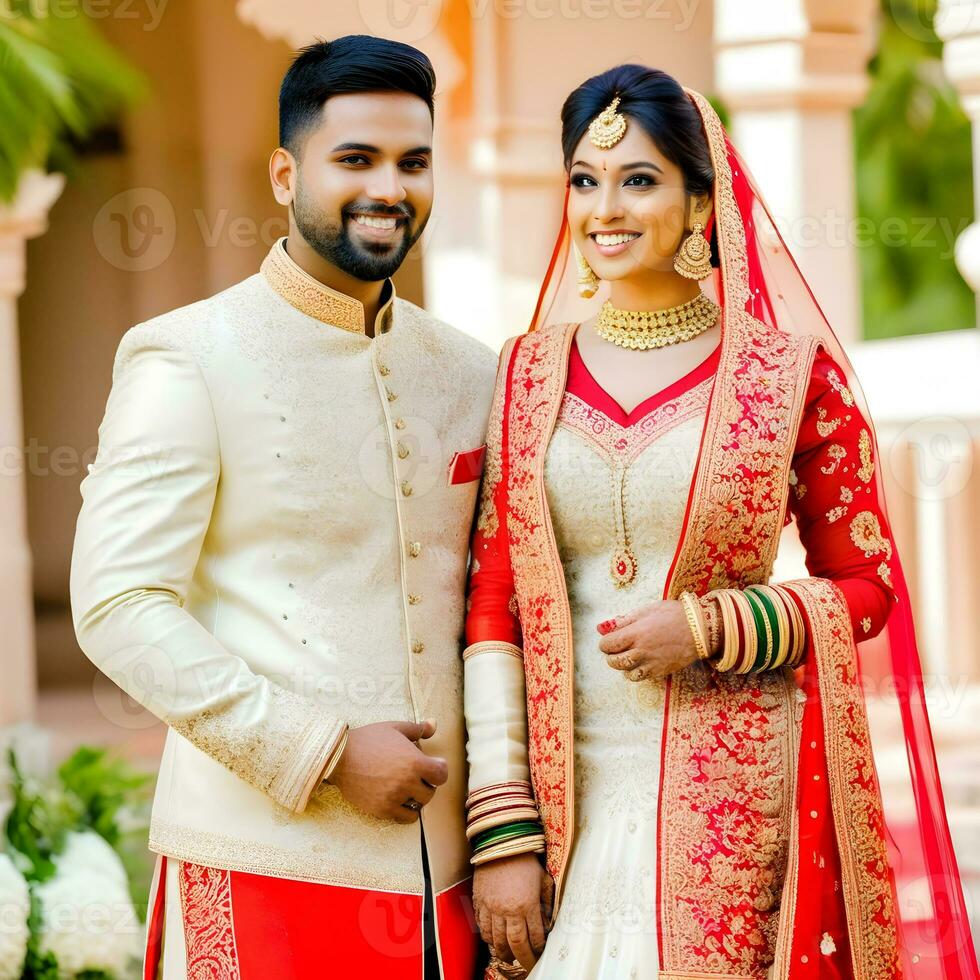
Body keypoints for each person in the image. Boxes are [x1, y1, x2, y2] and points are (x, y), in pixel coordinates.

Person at [462, 65, 979, 979]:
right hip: (558, 789)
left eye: (640, 179)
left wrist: (709, 624)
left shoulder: (787, 377)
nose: (605, 207)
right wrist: (501, 826)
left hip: (730, 796)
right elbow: (494, 599)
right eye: (585, 179)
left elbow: (867, 591)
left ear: (703, 202)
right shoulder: (524, 374)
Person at [70, 35, 496, 979]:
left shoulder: (470, 371)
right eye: (355, 159)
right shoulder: (187, 355)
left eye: (413, 161)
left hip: (452, 876)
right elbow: (118, 605)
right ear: (284, 172)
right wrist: (324, 750)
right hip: (264, 855)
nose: (389, 185)